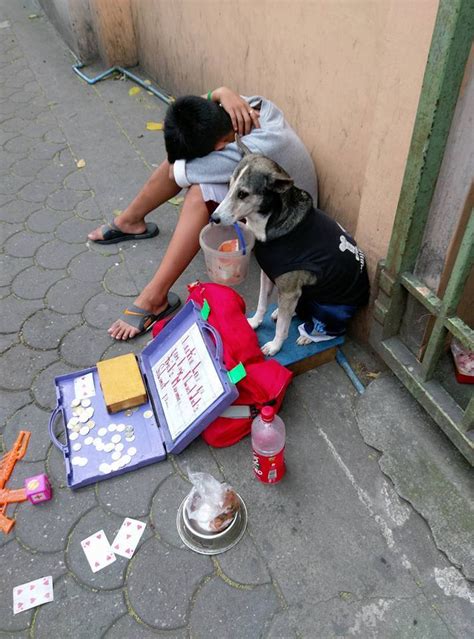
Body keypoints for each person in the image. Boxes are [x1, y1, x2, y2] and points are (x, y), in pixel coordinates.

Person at [88, 87, 318, 340]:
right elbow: (191, 118)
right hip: (258, 201)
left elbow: (172, 171)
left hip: (283, 228)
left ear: (221, 146)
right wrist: (220, 93)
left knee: (197, 191)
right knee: (186, 149)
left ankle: (155, 298)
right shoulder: (250, 105)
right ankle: (130, 221)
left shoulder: (245, 153)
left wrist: (218, 95)